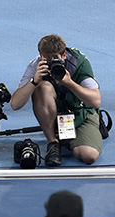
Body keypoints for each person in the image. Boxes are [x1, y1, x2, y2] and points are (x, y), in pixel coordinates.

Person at [10, 34, 102, 167]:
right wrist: (34, 81)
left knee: (89, 155)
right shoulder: (36, 65)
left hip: (81, 111)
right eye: (45, 59)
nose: (50, 63)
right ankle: (53, 142)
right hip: (54, 113)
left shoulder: (78, 62)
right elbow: (15, 104)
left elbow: (96, 101)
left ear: (64, 54)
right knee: (42, 87)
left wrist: (69, 83)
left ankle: (66, 138)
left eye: (54, 59)